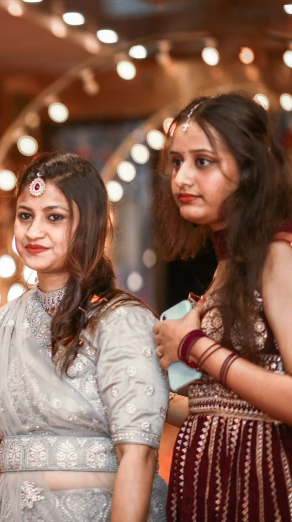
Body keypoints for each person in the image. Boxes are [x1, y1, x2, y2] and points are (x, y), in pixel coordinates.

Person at [0, 152, 169, 521]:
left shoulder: (120, 320)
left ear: (90, 225)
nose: (33, 232)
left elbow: (138, 455)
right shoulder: (5, 322)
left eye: (55, 217)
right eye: (25, 216)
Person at [152, 93, 292, 521]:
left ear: (249, 170)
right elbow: (222, 403)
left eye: (202, 161)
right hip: (210, 478)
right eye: (177, 162)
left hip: (260, 482)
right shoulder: (229, 264)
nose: (181, 179)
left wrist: (194, 347)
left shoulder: (277, 254)